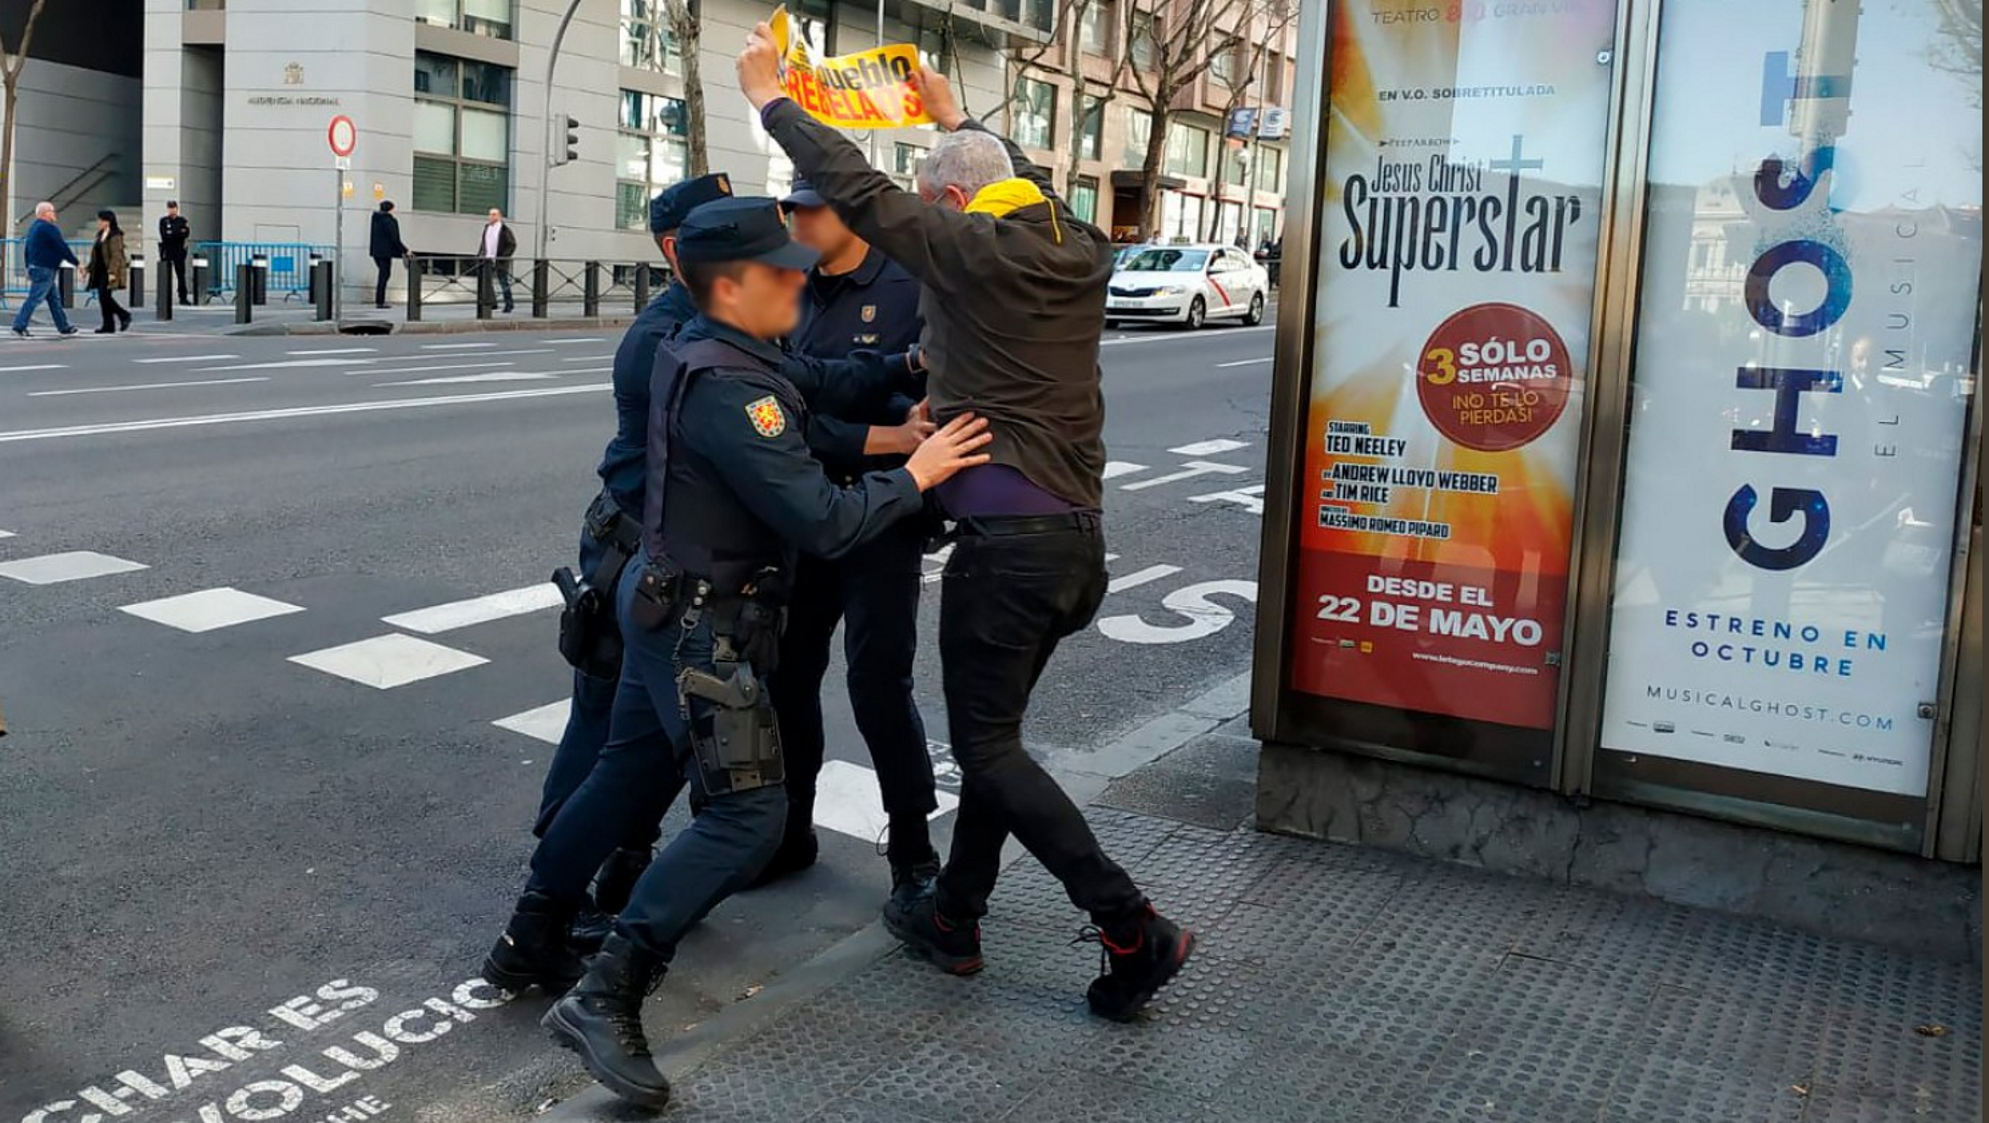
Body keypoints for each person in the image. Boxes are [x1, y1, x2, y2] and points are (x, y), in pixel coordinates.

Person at [486, 196, 992, 1107]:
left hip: (661, 596)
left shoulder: (717, 347)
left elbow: (819, 391)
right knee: (748, 816)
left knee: (627, 773)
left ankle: (529, 934)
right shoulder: (732, 387)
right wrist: (914, 474)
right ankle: (609, 990)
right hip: (702, 627)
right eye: (781, 270)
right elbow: (823, 516)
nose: (800, 279)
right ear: (730, 284)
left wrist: (905, 378)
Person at [741, 30, 1195, 1021]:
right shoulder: (1079, 245)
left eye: (933, 199)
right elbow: (1021, 182)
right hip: (1077, 547)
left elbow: (861, 191)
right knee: (1002, 744)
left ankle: (1131, 923)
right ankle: (955, 911)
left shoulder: (969, 249)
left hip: (1008, 549)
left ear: (948, 206)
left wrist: (775, 104)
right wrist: (959, 120)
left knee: (988, 752)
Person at [535, 172, 732, 956]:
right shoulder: (665, 337)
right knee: (602, 724)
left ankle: (619, 862)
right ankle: (557, 881)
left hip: (650, 546)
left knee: (638, 729)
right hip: (631, 550)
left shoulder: (706, 316)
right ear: (680, 248)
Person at [752, 176, 937, 900]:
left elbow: (925, 401)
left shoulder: (909, 283)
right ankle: (789, 830)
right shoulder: (784, 282)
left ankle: (913, 856)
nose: (796, 220)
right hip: (799, 509)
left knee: (878, 680)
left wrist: (885, 430)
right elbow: (776, 397)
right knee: (786, 676)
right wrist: (875, 426)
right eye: (790, 208)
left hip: (882, 514)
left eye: (809, 209)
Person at [11, 202, 80, 338]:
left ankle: (64, 327)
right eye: (52, 211)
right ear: (44, 213)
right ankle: (19, 326)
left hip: (37, 267)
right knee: (34, 298)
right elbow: (62, 247)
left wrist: (27, 266)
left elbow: (27, 249)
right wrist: (77, 263)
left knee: (54, 299)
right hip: (45, 269)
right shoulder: (49, 228)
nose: (54, 214)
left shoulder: (33, 227)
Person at [86, 210, 132, 334]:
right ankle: (109, 324)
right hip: (100, 270)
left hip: (110, 270)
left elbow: (116, 255)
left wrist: (112, 272)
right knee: (104, 298)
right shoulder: (100, 234)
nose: (98, 222)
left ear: (108, 221)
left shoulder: (115, 235)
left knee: (104, 296)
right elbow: (96, 255)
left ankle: (124, 315)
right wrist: (88, 268)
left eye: (100, 220)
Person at [475, 207, 517, 313]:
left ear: (499, 216)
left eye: (494, 214)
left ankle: (509, 304)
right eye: (490, 214)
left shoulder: (504, 229)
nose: (491, 216)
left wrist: (503, 256)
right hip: (487, 259)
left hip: (499, 260)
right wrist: (480, 254)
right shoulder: (487, 228)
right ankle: (492, 303)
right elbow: (484, 243)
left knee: (503, 282)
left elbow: (512, 244)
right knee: (487, 282)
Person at [369, 201, 409, 309]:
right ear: (391, 209)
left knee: (383, 275)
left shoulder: (375, 219)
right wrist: (405, 250)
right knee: (384, 275)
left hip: (376, 252)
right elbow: (395, 238)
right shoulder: (389, 221)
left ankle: (379, 300)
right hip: (386, 252)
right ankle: (380, 301)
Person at [159, 201, 191, 304]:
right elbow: (164, 235)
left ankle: (183, 297)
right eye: (170, 208)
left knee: (181, 275)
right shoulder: (164, 221)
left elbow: (186, 233)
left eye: (173, 208)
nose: (172, 210)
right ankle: (163, 297)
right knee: (165, 275)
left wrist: (173, 233)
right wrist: (177, 233)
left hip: (179, 250)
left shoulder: (182, 220)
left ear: (177, 209)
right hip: (167, 250)